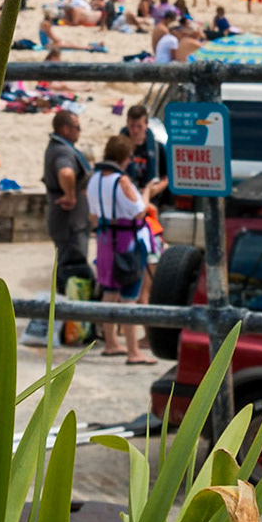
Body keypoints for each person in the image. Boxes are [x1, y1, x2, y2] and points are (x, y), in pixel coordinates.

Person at [87, 135, 157, 363]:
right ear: (124, 158)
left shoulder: (94, 179)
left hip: (105, 240)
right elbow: (139, 210)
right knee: (129, 296)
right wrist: (147, 192)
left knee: (109, 291)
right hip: (127, 242)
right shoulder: (121, 181)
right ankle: (133, 351)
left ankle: (111, 343)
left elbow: (93, 214)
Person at [44, 111, 93, 283]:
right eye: (77, 127)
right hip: (70, 224)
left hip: (68, 223)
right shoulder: (62, 151)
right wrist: (70, 195)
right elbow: (66, 172)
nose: (80, 131)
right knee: (74, 273)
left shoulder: (57, 147)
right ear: (65, 129)